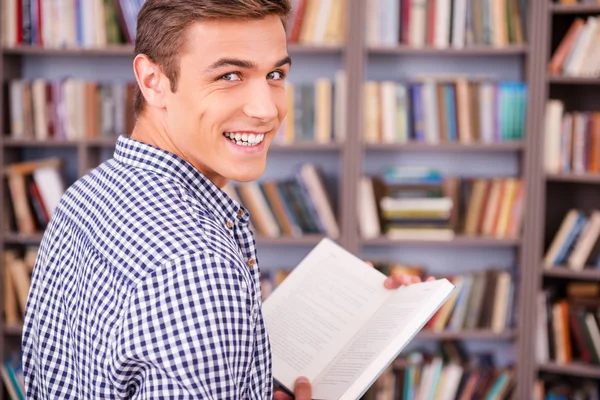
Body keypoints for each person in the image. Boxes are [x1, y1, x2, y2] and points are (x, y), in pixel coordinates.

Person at [22, 1, 432, 398]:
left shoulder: (88, 193)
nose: (266, 109)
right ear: (153, 81)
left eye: (275, 74)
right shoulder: (197, 264)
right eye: (230, 76)